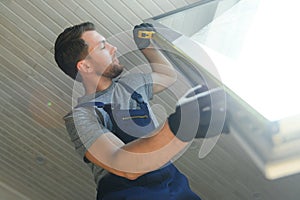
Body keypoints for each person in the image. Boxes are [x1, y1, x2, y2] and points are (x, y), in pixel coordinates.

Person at [54, 22, 205, 200]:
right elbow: (125, 166)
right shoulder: (82, 116)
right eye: (103, 46)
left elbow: (167, 76)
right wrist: (181, 124)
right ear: (85, 67)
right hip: (129, 194)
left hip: (174, 184)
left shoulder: (131, 85)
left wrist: (146, 46)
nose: (113, 48)